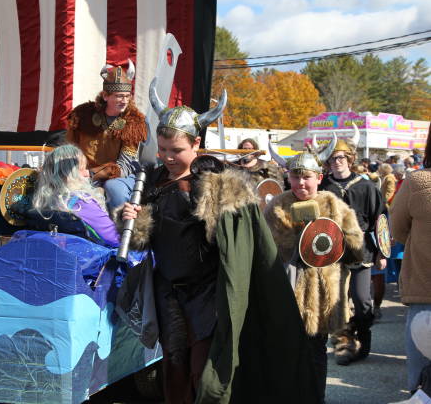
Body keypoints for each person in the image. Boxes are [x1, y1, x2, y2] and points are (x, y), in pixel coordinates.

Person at [117, 80, 318, 403]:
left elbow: (238, 241)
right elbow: (142, 242)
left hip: (209, 292)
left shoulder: (216, 183)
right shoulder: (153, 181)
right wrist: (132, 218)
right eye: (163, 149)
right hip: (168, 291)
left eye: (176, 150)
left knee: (206, 371)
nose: (168, 157)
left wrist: (219, 207)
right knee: (174, 367)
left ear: (196, 143)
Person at [265, 145, 364, 402]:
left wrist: (334, 240)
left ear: (319, 177)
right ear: (287, 177)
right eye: (295, 177)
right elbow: (261, 252)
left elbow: (357, 250)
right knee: (286, 358)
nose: (300, 183)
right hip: (284, 296)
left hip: (320, 298)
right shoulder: (274, 208)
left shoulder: (335, 206)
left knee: (315, 355)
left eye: (306, 177)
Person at [319, 131, 387, 365]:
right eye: (333, 158)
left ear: (350, 159)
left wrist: (382, 253)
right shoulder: (324, 185)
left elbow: (381, 220)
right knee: (337, 302)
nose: (337, 162)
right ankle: (344, 347)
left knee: (362, 300)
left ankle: (363, 339)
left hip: (361, 252)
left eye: (341, 157)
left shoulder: (366, 187)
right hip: (332, 253)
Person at [66, 60, 147, 211]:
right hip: (84, 173)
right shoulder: (82, 115)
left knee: (114, 188)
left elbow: (124, 167)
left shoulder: (133, 123)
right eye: (119, 96)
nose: (124, 101)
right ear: (105, 96)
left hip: (118, 177)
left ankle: (120, 229)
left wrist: (90, 174)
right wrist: (71, 171)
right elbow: (71, 149)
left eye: (127, 96)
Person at [390, 128, 431, 394]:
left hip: (424, 294)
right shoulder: (419, 183)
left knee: (421, 386)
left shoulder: (418, 182)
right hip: (424, 294)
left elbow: (398, 230)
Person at [31, 144, 119, 247]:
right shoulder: (83, 202)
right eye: (82, 168)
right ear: (69, 174)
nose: (87, 173)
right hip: (89, 260)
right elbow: (116, 239)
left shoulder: (42, 204)